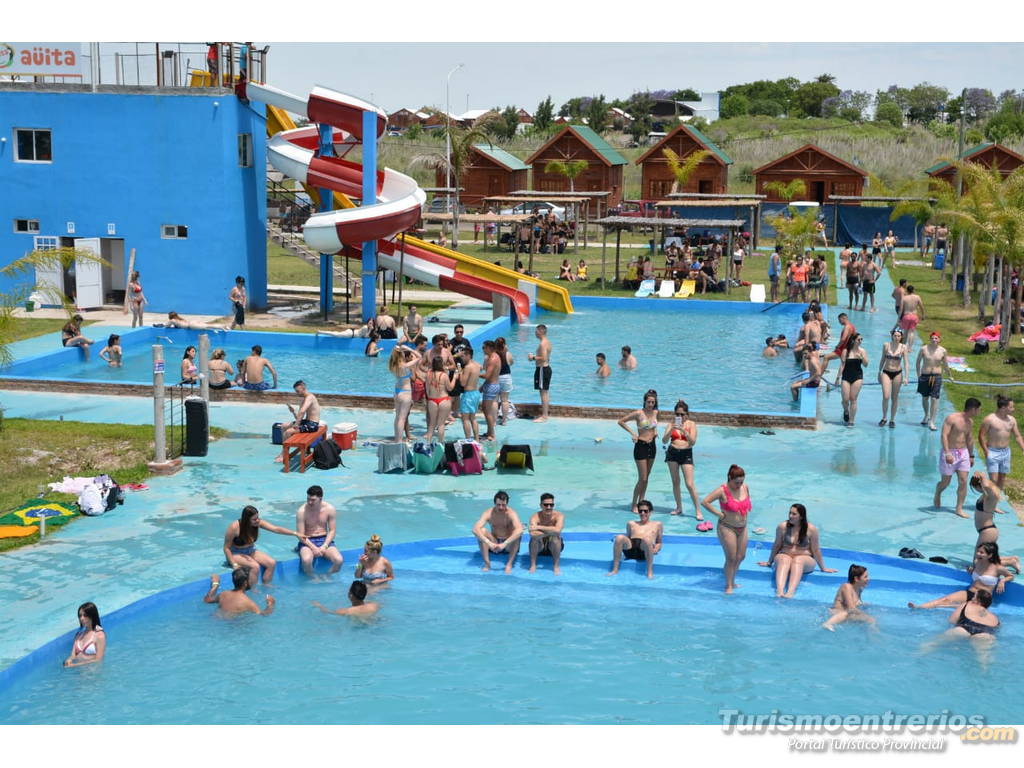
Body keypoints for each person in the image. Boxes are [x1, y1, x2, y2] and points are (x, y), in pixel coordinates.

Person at [757, 503, 836, 598]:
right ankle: (780, 591)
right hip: (785, 555)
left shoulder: (811, 529)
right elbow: (776, 545)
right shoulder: (782, 527)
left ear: (801, 516)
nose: (790, 516)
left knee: (798, 560)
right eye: (790, 513)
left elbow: (816, 550)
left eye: (794, 514)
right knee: (784, 559)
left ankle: (790, 592)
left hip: (805, 560)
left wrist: (823, 568)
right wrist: (769, 562)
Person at [909, 543, 1014, 609]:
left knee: (956, 607)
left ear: (990, 555)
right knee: (944, 600)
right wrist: (972, 572)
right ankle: (919, 607)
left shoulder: (997, 568)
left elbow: (1010, 576)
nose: (978, 554)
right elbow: (978, 576)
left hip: (983, 598)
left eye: (982, 552)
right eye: (978, 551)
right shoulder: (977, 562)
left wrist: (1002, 581)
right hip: (970, 592)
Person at [222, 505, 307, 586]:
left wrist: (295, 533)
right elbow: (226, 548)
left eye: (257, 517)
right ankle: (254, 590)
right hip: (235, 553)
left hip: (250, 550)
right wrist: (234, 565)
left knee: (271, 563)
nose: (258, 520)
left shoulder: (258, 522)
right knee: (255, 567)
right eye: (254, 519)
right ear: (246, 520)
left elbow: (276, 529)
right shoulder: (234, 527)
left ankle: (267, 585)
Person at [701, 464, 751, 594]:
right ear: (730, 478)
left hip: (742, 527)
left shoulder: (745, 488)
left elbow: (744, 507)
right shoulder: (722, 490)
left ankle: (731, 579)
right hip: (727, 527)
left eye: (742, 482)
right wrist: (718, 514)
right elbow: (705, 502)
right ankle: (728, 585)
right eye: (737, 482)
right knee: (731, 558)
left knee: (741, 556)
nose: (739, 485)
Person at [920, 590, 999, 667]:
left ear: (977, 601)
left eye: (974, 597)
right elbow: (997, 630)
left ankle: (916, 656)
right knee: (984, 663)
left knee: (931, 644)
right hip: (985, 634)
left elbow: (952, 621)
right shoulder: (995, 618)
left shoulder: (967, 604)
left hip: (963, 629)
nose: (972, 599)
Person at [934, 397, 982, 518]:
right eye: (979, 410)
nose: (979, 412)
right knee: (946, 482)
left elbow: (970, 439)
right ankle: (938, 492)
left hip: (963, 454)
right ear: (973, 409)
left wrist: (971, 455)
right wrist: (947, 453)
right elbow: (944, 435)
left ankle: (959, 508)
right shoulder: (952, 418)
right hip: (950, 452)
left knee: (963, 481)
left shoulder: (970, 422)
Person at [618, 390, 660, 513]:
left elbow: (654, 426)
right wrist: (633, 433)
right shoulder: (638, 413)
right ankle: (634, 503)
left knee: (647, 478)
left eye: (653, 402)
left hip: (652, 446)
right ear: (644, 401)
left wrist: (655, 432)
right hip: (640, 446)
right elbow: (621, 421)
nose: (650, 404)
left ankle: (642, 502)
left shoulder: (656, 412)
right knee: (642, 478)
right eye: (648, 402)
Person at [662, 399, 703, 519]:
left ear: (687, 414)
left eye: (682, 414)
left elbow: (693, 442)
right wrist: (672, 430)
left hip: (686, 454)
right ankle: (679, 507)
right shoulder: (670, 424)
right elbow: (664, 440)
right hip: (672, 453)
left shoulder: (691, 424)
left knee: (689, 484)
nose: (679, 416)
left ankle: (698, 510)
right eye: (677, 414)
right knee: (675, 482)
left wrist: (684, 431)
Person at [971, 472, 1023, 565]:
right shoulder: (985, 496)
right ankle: (1011, 559)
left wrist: (982, 476)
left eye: (976, 488)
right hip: (986, 531)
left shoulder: (990, 495)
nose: (976, 490)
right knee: (984, 559)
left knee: (978, 562)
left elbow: (987, 486)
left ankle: (1010, 562)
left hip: (987, 531)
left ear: (980, 485)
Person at [295, 485, 343, 577]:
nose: (309, 502)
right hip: (307, 541)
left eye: (313, 500)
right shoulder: (301, 511)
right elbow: (300, 535)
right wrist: (313, 548)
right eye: (308, 499)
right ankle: (313, 578)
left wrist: (324, 546)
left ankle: (327, 576)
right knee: (306, 560)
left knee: (339, 560)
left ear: (320, 498)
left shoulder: (329, 509)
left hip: (324, 540)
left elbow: (332, 531)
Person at [978, 394, 1024, 490]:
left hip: (1006, 452)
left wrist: (1023, 448)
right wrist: (986, 451)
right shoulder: (990, 419)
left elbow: (1017, 436)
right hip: (992, 452)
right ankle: (987, 500)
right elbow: (981, 435)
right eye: (1011, 407)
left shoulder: (1012, 420)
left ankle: (997, 499)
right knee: (993, 480)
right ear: (1003, 408)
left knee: (1002, 478)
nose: (1013, 409)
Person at [472, 490, 525, 574]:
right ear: (494, 503)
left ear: (507, 504)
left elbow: (519, 530)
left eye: (503, 505)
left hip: (508, 545)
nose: (501, 507)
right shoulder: (489, 513)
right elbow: (475, 529)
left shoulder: (511, 513)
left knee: (518, 532)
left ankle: (509, 564)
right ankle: (487, 563)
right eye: (498, 505)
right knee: (481, 531)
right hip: (494, 543)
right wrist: (489, 543)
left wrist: (505, 543)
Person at [608, 501, 663, 579]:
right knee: (619, 537)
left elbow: (659, 542)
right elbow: (628, 538)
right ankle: (615, 570)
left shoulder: (657, 524)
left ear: (650, 512)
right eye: (640, 511)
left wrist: (656, 548)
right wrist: (618, 540)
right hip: (631, 550)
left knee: (647, 539)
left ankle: (649, 572)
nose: (643, 513)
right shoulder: (631, 524)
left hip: (644, 550)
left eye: (645, 511)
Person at [203, 567, 275, 616]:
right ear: (245, 584)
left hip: (214, 619)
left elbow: (207, 600)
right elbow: (264, 614)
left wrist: (215, 584)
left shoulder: (223, 594)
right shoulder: (248, 602)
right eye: (251, 579)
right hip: (229, 627)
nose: (254, 580)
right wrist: (270, 604)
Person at [822, 565, 875, 631]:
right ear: (856, 579)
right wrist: (864, 615)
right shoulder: (846, 587)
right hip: (837, 614)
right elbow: (851, 608)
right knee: (846, 613)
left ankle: (874, 634)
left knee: (871, 620)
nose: (868, 579)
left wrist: (863, 605)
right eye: (865, 577)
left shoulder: (859, 589)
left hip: (848, 613)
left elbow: (855, 604)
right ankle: (827, 624)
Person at [916, 331, 948, 431]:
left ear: (939, 340)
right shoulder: (923, 349)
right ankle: (926, 415)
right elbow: (917, 362)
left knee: (934, 399)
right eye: (932, 338)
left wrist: (950, 376)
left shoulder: (943, 351)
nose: (934, 340)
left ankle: (932, 421)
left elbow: (946, 365)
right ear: (930, 339)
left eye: (936, 338)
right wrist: (918, 375)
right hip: (925, 376)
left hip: (937, 376)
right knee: (925, 398)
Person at [389, 344, 420, 443]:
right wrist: (409, 348)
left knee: (398, 417)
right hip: (405, 393)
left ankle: (397, 439)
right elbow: (419, 357)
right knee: (402, 418)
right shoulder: (405, 366)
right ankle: (399, 441)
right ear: (401, 355)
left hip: (397, 392)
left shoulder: (393, 365)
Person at [877, 328, 909, 428]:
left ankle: (892, 419)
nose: (896, 338)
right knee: (886, 396)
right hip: (886, 372)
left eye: (898, 336)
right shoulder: (886, 345)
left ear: (901, 337)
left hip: (897, 373)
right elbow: (882, 358)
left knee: (894, 397)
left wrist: (906, 377)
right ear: (892, 336)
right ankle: (884, 417)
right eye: (895, 336)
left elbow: (906, 363)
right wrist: (879, 372)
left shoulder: (903, 347)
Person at [527, 493, 565, 575]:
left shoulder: (559, 516)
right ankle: (533, 565)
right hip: (540, 546)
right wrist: (551, 531)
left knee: (556, 538)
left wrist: (539, 527)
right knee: (534, 539)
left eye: (551, 505)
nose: (549, 507)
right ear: (541, 505)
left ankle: (556, 566)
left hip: (554, 546)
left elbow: (558, 530)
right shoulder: (535, 517)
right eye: (546, 505)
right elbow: (532, 534)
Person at [837, 333, 868, 427]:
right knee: (845, 400)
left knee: (853, 399)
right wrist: (838, 377)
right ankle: (846, 411)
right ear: (853, 340)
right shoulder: (846, 351)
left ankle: (851, 421)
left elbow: (866, 365)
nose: (860, 341)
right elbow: (842, 365)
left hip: (857, 377)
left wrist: (862, 358)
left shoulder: (862, 351)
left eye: (861, 339)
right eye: (859, 339)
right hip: (846, 376)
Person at [63, 602, 106, 667]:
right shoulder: (78, 635)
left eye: (85, 615)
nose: (82, 618)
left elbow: (98, 659)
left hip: (93, 674)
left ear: (92, 616)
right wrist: (69, 660)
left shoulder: (99, 635)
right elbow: (73, 655)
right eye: (80, 616)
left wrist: (75, 665)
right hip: (79, 673)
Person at [424, 356, 454, 442]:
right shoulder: (444, 375)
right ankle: (440, 445)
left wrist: (429, 398)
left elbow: (427, 390)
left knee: (431, 424)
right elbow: (450, 388)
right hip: (443, 399)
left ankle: (428, 444)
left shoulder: (428, 374)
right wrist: (454, 378)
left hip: (432, 400)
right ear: (441, 364)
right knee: (441, 424)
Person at [312, 580, 379, 618]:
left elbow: (328, 612)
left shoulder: (347, 611)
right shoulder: (374, 605)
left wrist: (319, 606)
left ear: (350, 595)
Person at [528, 324, 552, 422]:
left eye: (536, 331)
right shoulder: (547, 342)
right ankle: (545, 414)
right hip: (545, 368)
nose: (535, 333)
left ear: (541, 332)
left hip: (542, 369)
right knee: (544, 392)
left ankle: (544, 416)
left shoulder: (542, 344)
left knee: (543, 393)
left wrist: (532, 357)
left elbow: (544, 358)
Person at [458, 345, 482, 441]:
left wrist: (460, 372)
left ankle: (468, 440)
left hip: (468, 394)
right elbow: (481, 367)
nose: (461, 358)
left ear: (468, 355)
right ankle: (476, 439)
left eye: (463, 356)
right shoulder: (477, 365)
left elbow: (463, 383)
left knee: (465, 419)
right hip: (476, 393)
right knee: (473, 418)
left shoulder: (468, 367)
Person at [479, 340, 501, 441]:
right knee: (486, 410)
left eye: (484, 347)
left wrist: (474, 372)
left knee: (487, 411)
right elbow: (491, 376)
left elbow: (487, 375)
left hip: (491, 386)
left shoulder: (493, 359)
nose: (483, 349)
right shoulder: (494, 357)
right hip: (491, 384)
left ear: (489, 348)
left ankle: (492, 434)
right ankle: (489, 432)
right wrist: (483, 385)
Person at [898, 285, 925, 355]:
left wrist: (899, 318)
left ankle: (903, 346)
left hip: (906, 315)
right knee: (912, 332)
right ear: (913, 290)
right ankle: (909, 348)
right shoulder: (917, 297)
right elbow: (922, 306)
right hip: (914, 316)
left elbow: (901, 309)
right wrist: (923, 315)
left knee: (905, 332)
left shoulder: (904, 298)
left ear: (907, 290)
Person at [495, 337, 514, 426]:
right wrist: (507, 350)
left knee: (495, 401)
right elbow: (511, 363)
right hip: (506, 377)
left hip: (496, 377)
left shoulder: (494, 355)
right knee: (505, 401)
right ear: (504, 344)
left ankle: (494, 421)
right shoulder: (507, 353)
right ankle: (504, 421)